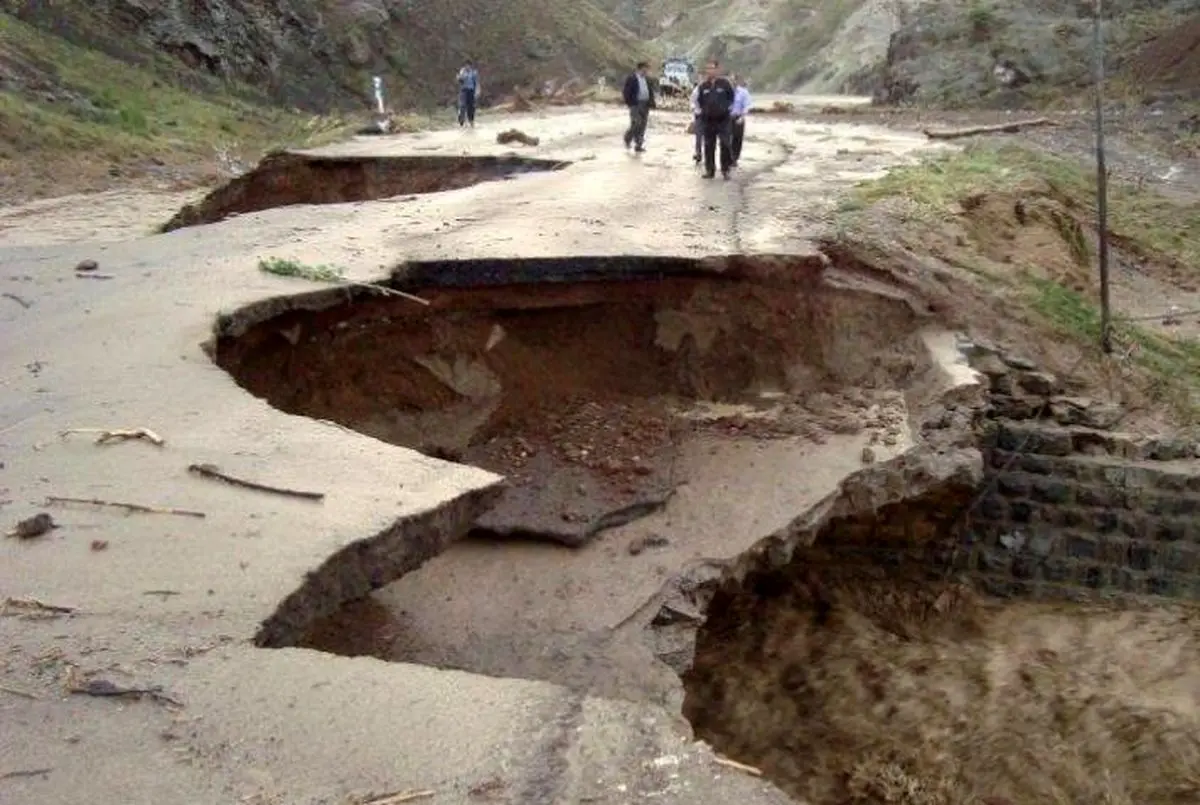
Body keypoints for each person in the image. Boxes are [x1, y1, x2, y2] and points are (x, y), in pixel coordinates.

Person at [694, 59, 735, 179]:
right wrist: (704, 112)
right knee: (708, 145)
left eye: (712, 68)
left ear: (717, 69)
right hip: (708, 120)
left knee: (725, 144)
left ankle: (725, 170)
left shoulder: (725, 83)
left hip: (723, 120)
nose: (710, 71)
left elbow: (731, 98)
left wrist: (727, 109)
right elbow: (699, 101)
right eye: (708, 68)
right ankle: (710, 170)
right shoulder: (703, 86)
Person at [621, 61, 656, 153]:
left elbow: (650, 91)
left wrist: (652, 102)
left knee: (643, 125)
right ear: (640, 68)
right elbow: (626, 92)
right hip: (635, 104)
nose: (647, 71)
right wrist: (630, 103)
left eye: (647, 69)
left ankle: (638, 144)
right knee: (636, 123)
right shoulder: (632, 78)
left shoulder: (648, 80)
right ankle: (627, 138)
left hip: (645, 104)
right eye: (645, 68)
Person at [730, 74, 752, 168]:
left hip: (738, 117)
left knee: (737, 139)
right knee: (726, 139)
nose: (732, 82)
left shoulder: (743, 92)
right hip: (727, 118)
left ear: (736, 81)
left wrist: (742, 117)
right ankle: (728, 158)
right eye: (730, 81)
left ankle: (735, 158)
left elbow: (746, 106)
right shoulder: (726, 92)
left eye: (733, 80)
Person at [457, 60, 480, 127]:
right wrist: (460, 77)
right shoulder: (462, 72)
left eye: (469, 65)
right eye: (466, 65)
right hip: (464, 90)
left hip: (471, 91)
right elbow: (460, 80)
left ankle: (471, 120)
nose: (467, 67)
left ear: (470, 66)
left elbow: (476, 82)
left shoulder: (474, 72)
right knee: (462, 105)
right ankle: (461, 119)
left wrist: (477, 91)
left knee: (471, 107)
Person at [689, 81, 703, 164]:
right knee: (699, 136)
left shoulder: (714, 87)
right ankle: (698, 153)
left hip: (711, 116)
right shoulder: (697, 89)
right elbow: (692, 101)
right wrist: (694, 108)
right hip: (700, 115)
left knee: (710, 137)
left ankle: (709, 155)